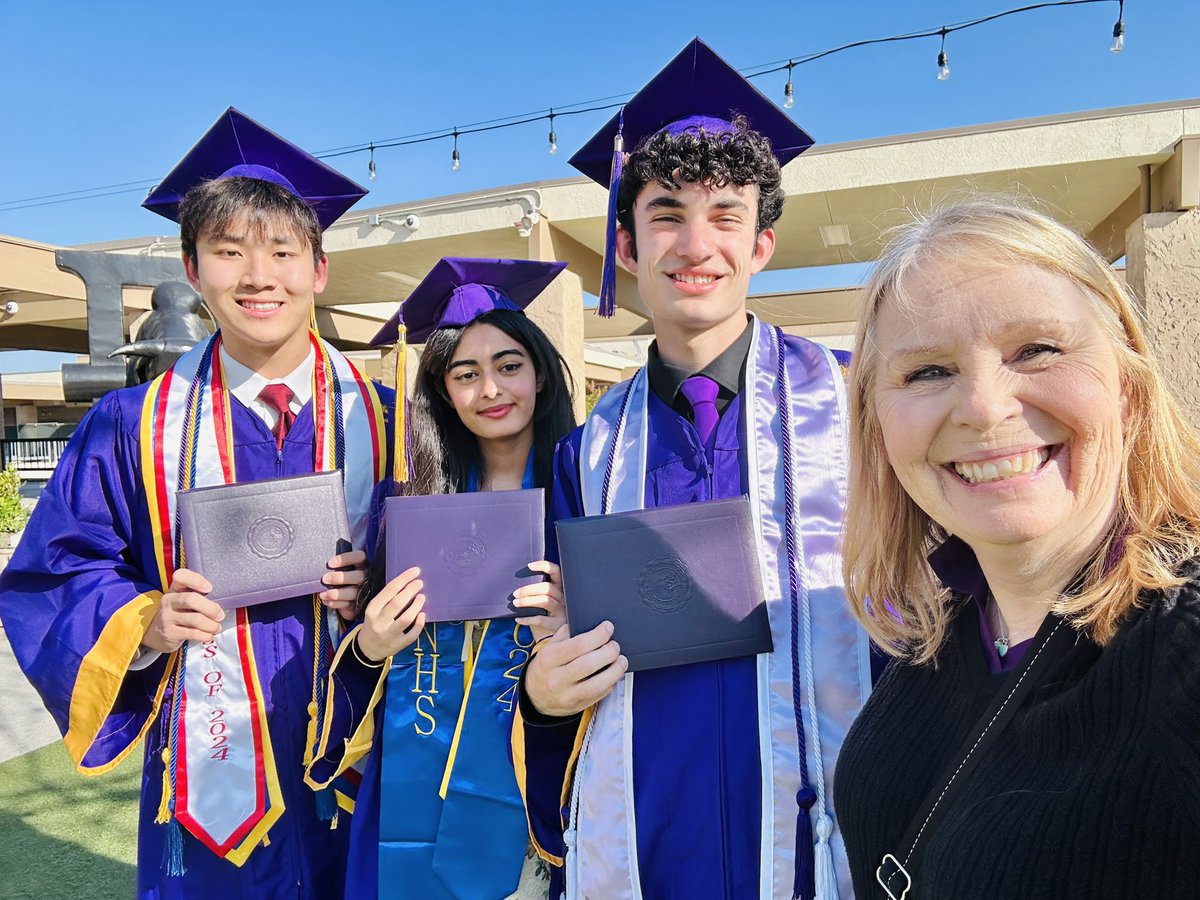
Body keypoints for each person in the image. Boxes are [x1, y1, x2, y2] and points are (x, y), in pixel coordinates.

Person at [0, 108, 392, 898]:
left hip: (362, 749)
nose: (259, 276)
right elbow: (55, 572)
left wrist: (378, 583)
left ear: (318, 270)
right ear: (192, 266)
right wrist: (144, 619)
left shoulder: (385, 415)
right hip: (208, 765)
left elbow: (444, 560)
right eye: (229, 252)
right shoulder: (131, 425)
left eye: (283, 251)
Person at [513, 39, 871, 900]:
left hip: (824, 818)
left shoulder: (857, 410)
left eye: (726, 216)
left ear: (762, 246)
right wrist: (540, 691)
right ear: (627, 248)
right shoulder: (586, 452)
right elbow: (552, 631)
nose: (695, 242)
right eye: (666, 213)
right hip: (647, 826)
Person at [834, 198, 1200, 899]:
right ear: (877, 423)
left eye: (1036, 350)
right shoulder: (940, 629)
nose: (983, 406)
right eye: (927, 372)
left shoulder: (1185, 657)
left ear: (1128, 383)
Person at [305, 257, 577, 899]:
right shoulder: (406, 507)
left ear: (538, 371)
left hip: (545, 792)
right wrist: (371, 643)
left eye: (509, 365)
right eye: (466, 374)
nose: (491, 390)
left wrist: (576, 614)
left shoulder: (587, 490)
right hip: (411, 784)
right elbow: (361, 665)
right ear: (443, 392)